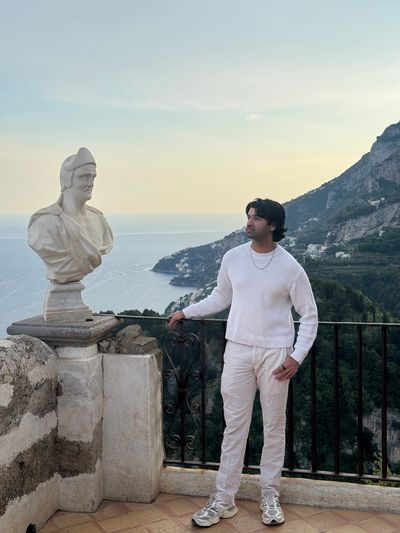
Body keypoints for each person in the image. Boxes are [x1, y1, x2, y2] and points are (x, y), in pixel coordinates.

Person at [167, 198, 318, 528]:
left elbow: (309, 315)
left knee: (274, 427)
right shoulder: (233, 258)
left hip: (276, 354)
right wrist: (186, 312)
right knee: (234, 426)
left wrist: (296, 356)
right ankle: (224, 500)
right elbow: (220, 297)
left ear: (273, 225)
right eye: (248, 216)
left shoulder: (290, 267)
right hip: (237, 350)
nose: (249, 222)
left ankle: (270, 495)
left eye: (257, 218)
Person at [28, 147, 113, 284]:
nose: (90, 183)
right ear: (67, 180)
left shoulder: (99, 220)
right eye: (84, 176)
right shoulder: (44, 224)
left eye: (93, 177)